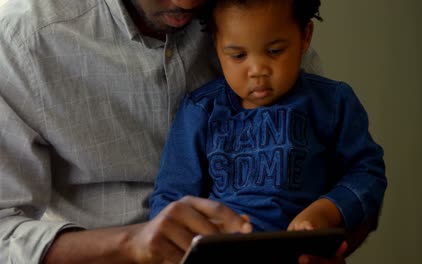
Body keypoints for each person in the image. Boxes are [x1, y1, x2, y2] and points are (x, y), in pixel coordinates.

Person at [0, 0, 379, 263]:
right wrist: (134, 244)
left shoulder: (265, 17)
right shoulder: (22, 40)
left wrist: (329, 240)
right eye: (237, 55)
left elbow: (351, 176)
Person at [149, 0, 386, 248]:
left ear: (305, 36)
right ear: (216, 46)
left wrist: (327, 211)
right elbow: (172, 197)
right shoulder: (200, 110)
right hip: (223, 251)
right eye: (238, 55)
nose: (257, 70)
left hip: (298, 248)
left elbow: (366, 173)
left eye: (274, 51)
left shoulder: (332, 103)